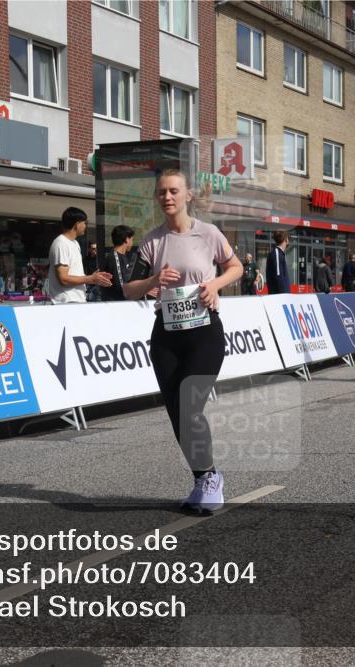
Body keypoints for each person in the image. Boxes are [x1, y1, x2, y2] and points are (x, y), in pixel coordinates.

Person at [123, 169, 242, 513]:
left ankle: (211, 479)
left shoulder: (209, 234)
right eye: (161, 192)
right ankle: (202, 479)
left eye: (174, 190)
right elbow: (129, 290)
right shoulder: (151, 241)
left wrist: (215, 285)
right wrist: (153, 281)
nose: (167, 197)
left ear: (188, 195)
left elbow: (235, 268)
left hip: (204, 332)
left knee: (190, 405)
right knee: (177, 411)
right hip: (166, 335)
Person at [48, 207, 112, 304]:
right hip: (66, 301)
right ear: (77, 224)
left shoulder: (74, 243)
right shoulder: (61, 243)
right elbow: (63, 279)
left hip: (76, 300)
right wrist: (90, 278)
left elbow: (75, 274)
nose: (86, 226)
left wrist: (95, 278)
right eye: (85, 223)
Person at [101, 225, 135, 302]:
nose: (132, 243)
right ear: (127, 239)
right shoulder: (114, 257)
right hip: (116, 305)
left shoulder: (122, 257)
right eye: (132, 240)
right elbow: (120, 286)